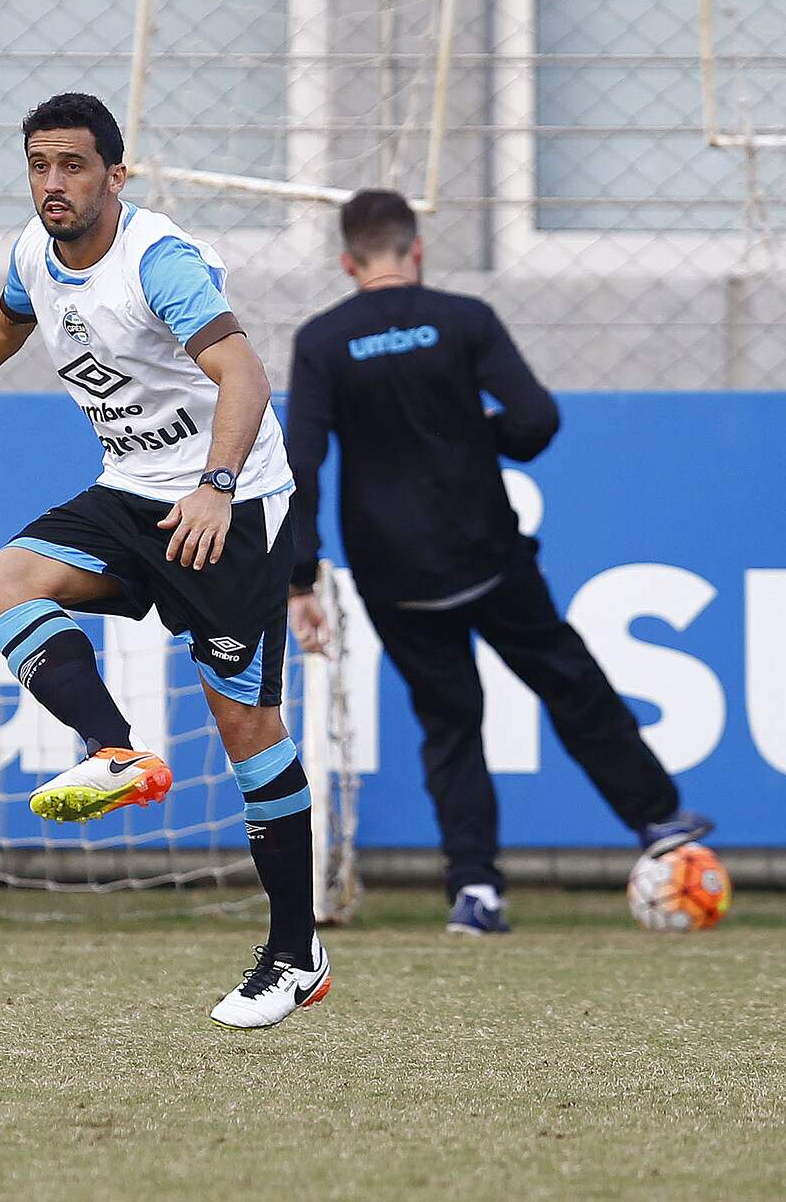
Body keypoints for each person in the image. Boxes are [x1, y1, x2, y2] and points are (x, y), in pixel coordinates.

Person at [0, 92, 328, 1030]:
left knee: (245, 729)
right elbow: (4, 322)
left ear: (116, 174)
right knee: (3, 583)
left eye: (73, 165)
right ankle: (114, 751)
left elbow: (244, 372)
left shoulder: (158, 263)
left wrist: (218, 481)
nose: (53, 184)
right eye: (39, 165)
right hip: (131, 489)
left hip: (229, 505)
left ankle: (296, 953)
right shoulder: (35, 253)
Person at [284, 189, 713, 936]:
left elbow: (302, 462)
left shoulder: (323, 339)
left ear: (349, 261)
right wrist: (486, 434)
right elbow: (536, 419)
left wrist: (299, 577)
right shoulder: (464, 319)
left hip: (396, 577)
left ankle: (476, 891)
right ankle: (655, 819)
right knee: (569, 680)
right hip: (487, 553)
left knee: (451, 725)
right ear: (417, 250)